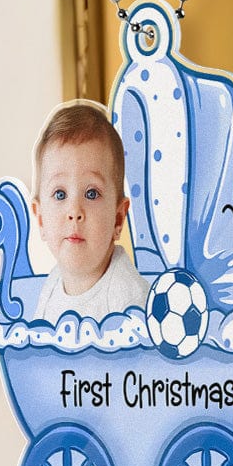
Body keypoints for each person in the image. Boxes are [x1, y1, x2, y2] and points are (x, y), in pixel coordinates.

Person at [31, 101, 149, 324]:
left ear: (118, 219)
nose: (74, 211)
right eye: (60, 194)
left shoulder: (128, 301)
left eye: (91, 193)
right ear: (41, 219)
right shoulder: (51, 286)